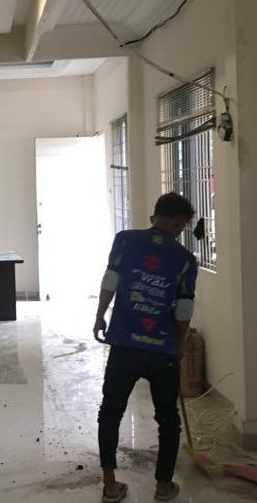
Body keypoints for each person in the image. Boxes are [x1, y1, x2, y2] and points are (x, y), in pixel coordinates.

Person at [93, 192, 197, 503]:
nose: (181, 231)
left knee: (110, 412)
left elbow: (110, 281)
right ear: (176, 222)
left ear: (155, 216)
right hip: (162, 350)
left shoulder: (125, 240)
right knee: (167, 419)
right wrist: (179, 343)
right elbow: (184, 308)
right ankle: (163, 487)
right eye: (183, 226)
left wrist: (99, 316)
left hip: (124, 344)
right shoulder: (185, 259)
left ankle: (110, 486)